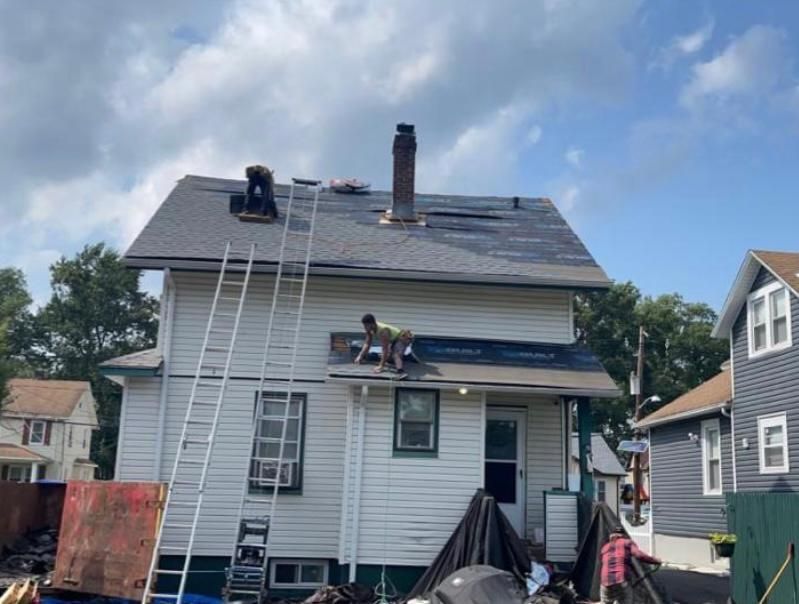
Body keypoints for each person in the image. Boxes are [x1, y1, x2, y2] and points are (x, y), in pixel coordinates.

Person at [599, 524, 661, 604]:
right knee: (625, 600)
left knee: (605, 602)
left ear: (611, 536)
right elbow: (639, 555)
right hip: (620, 579)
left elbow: (604, 562)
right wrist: (655, 560)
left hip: (605, 581)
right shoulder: (627, 542)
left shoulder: (605, 547)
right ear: (623, 535)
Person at [354, 313, 413, 378]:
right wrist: (360, 356)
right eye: (364, 325)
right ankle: (397, 360)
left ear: (372, 324)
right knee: (389, 359)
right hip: (393, 340)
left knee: (396, 355)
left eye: (366, 325)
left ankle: (401, 372)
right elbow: (367, 343)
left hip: (402, 338)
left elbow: (385, 349)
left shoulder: (383, 331)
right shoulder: (370, 329)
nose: (365, 327)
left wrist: (381, 366)